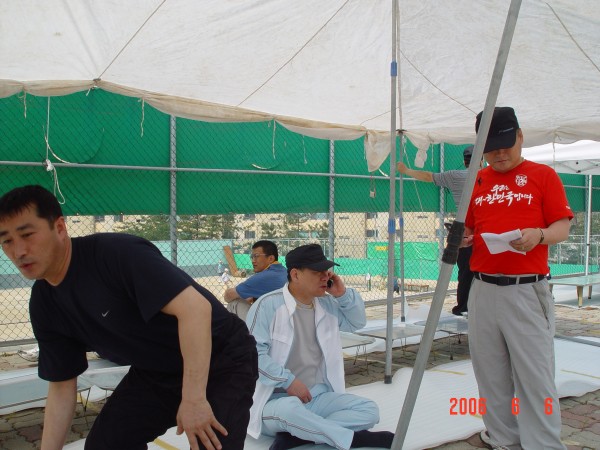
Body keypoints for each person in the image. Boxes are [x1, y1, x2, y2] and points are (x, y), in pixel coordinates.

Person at [0, 185, 258, 450]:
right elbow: (62, 384)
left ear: (59, 228)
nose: (18, 251)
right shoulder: (44, 303)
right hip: (156, 369)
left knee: (211, 444)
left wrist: (193, 400)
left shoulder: (115, 254)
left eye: (27, 235)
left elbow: (196, 309)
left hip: (221, 357)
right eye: (6, 241)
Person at [464, 107, 572, 450]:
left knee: (535, 375)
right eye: (490, 148)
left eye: (505, 145)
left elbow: (562, 226)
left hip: (525, 289)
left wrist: (539, 235)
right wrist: (464, 237)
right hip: (482, 289)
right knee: (490, 374)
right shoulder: (477, 181)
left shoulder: (543, 175)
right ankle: (503, 439)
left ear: (520, 137)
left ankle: (543, 444)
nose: (499, 154)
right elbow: (470, 227)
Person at [246, 244, 394, 450]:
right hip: (273, 401)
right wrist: (288, 381)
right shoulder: (267, 305)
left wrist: (342, 294)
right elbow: (253, 356)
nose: (326, 277)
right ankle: (354, 440)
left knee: (369, 410)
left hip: (316, 396)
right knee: (289, 410)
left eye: (327, 271)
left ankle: (299, 437)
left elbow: (356, 322)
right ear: (295, 275)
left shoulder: (326, 304)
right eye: (317, 272)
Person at [398, 145, 477, 316]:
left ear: (464, 161)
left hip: (463, 231)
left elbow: (428, 176)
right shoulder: (489, 177)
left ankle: (463, 308)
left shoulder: (454, 176)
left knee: (465, 272)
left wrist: (406, 170)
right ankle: (479, 309)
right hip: (486, 230)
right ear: (482, 159)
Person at [223, 240, 287, 321]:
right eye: (252, 257)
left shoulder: (263, 277)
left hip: (269, 323)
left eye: (256, 256)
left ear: (270, 258)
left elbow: (228, 296)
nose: (253, 260)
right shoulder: (284, 271)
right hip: (284, 320)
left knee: (234, 303)